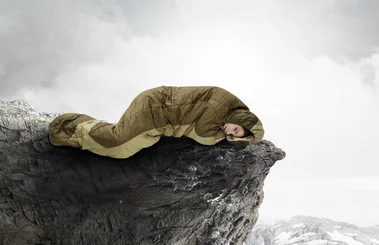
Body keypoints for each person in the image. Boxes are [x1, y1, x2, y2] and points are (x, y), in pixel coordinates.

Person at [48, 85, 264, 159]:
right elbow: (202, 134)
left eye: (234, 136)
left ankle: (85, 129)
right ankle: (72, 126)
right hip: (154, 107)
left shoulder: (225, 113)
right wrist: (221, 138)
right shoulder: (221, 104)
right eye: (235, 128)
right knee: (116, 142)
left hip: (161, 123)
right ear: (239, 119)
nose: (230, 132)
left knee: (124, 150)